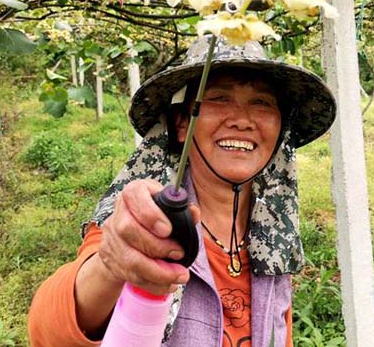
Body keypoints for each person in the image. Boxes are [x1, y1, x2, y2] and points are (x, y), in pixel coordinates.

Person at [28, 36, 336, 347]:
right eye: (218, 98)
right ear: (181, 124)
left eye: (262, 102)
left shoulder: (272, 235)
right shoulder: (145, 220)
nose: (242, 120)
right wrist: (111, 264)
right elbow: (48, 332)